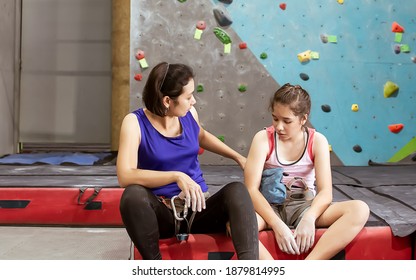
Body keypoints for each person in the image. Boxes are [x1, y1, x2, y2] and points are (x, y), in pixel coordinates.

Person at [117, 62, 259, 260]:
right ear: (167, 100)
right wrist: (176, 176)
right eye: (188, 96)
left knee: (237, 190)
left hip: (198, 209)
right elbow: (125, 175)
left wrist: (238, 157)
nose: (194, 101)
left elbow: (200, 135)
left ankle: (249, 269)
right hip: (162, 214)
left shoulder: (188, 114)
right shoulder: (134, 123)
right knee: (132, 196)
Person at [244, 83, 370, 260]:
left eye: (287, 121)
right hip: (269, 209)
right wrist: (277, 224)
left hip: (304, 207)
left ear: (303, 119)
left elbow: (326, 192)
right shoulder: (262, 138)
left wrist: (309, 218)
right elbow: (251, 189)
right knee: (235, 223)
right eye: (275, 119)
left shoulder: (317, 141)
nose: (279, 127)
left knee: (359, 209)